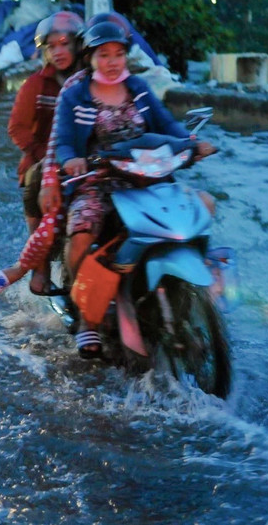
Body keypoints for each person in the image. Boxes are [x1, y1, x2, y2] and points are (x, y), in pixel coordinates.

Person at [52, 21, 217, 358]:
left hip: (149, 175)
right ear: (90, 58)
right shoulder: (74, 96)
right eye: (104, 55)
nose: (112, 61)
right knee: (82, 232)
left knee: (202, 206)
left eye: (118, 54)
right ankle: (86, 316)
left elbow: (166, 124)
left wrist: (192, 143)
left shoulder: (139, 88)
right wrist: (72, 161)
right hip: (99, 180)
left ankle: (195, 288)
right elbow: (64, 142)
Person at [0, 10, 85, 299]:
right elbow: (17, 128)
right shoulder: (36, 85)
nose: (58, 52)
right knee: (37, 179)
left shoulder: (91, 82)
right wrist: (47, 157)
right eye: (51, 47)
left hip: (86, 161)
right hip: (44, 164)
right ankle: (40, 269)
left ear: (78, 45)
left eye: (64, 44)